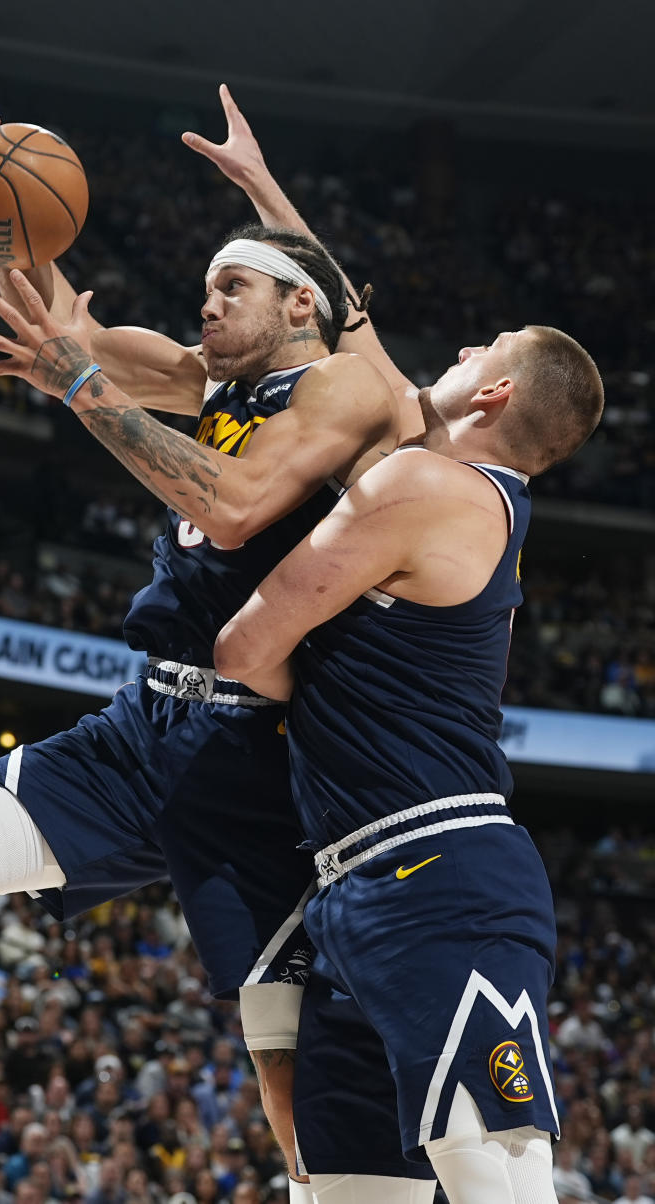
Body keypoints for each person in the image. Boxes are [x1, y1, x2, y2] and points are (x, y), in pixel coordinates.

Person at [0, 104, 437, 1204]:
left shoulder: (342, 391)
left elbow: (238, 505)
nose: (206, 299)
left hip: (261, 760)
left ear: (300, 305)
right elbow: (75, 339)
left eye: (229, 285)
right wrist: (2, 220)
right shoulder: (207, 380)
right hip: (141, 726)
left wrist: (262, 203)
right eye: (205, 286)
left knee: (294, 1069)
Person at [213, 325, 605, 1203]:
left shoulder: (427, 483)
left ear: (496, 396)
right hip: (354, 889)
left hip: (436, 870)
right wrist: (262, 185)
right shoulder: (481, 505)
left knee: (497, 1173)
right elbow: (377, 365)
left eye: (484, 351)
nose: (462, 351)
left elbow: (241, 647)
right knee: (358, 1191)